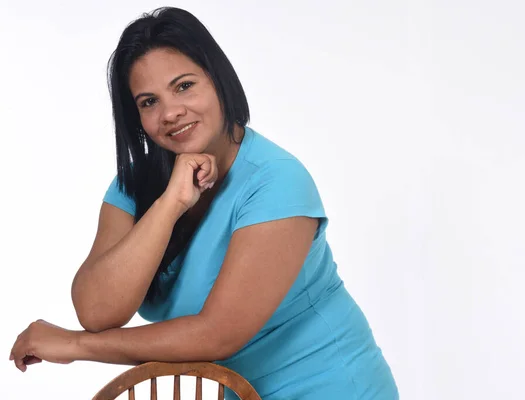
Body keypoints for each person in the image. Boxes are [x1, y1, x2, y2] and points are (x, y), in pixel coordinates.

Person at [9, 6, 399, 399]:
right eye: (148, 102)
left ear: (217, 79)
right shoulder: (133, 186)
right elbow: (97, 311)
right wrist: (171, 203)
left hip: (332, 388)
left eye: (183, 86)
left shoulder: (277, 181)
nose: (170, 113)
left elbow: (217, 334)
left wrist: (76, 346)